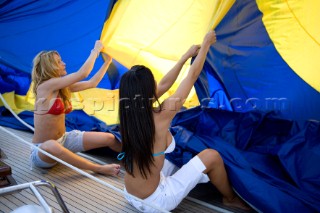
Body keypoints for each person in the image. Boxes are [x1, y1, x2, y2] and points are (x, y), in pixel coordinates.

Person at [118, 31, 250, 212]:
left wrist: (184, 58)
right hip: (156, 202)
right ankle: (230, 198)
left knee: (175, 154)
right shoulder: (161, 117)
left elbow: (164, 84)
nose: (158, 84)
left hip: (130, 193)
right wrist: (206, 44)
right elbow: (192, 76)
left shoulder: (128, 113)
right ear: (148, 91)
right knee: (212, 156)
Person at [30, 40, 121, 176]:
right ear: (50, 67)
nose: (64, 63)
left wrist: (107, 63)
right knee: (51, 145)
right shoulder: (45, 87)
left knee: (110, 138)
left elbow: (92, 82)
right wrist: (95, 51)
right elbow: (82, 73)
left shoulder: (62, 87)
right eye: (59, 62)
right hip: (42, 151)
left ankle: (131, 158)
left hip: (64, 140)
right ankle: (99, 168)